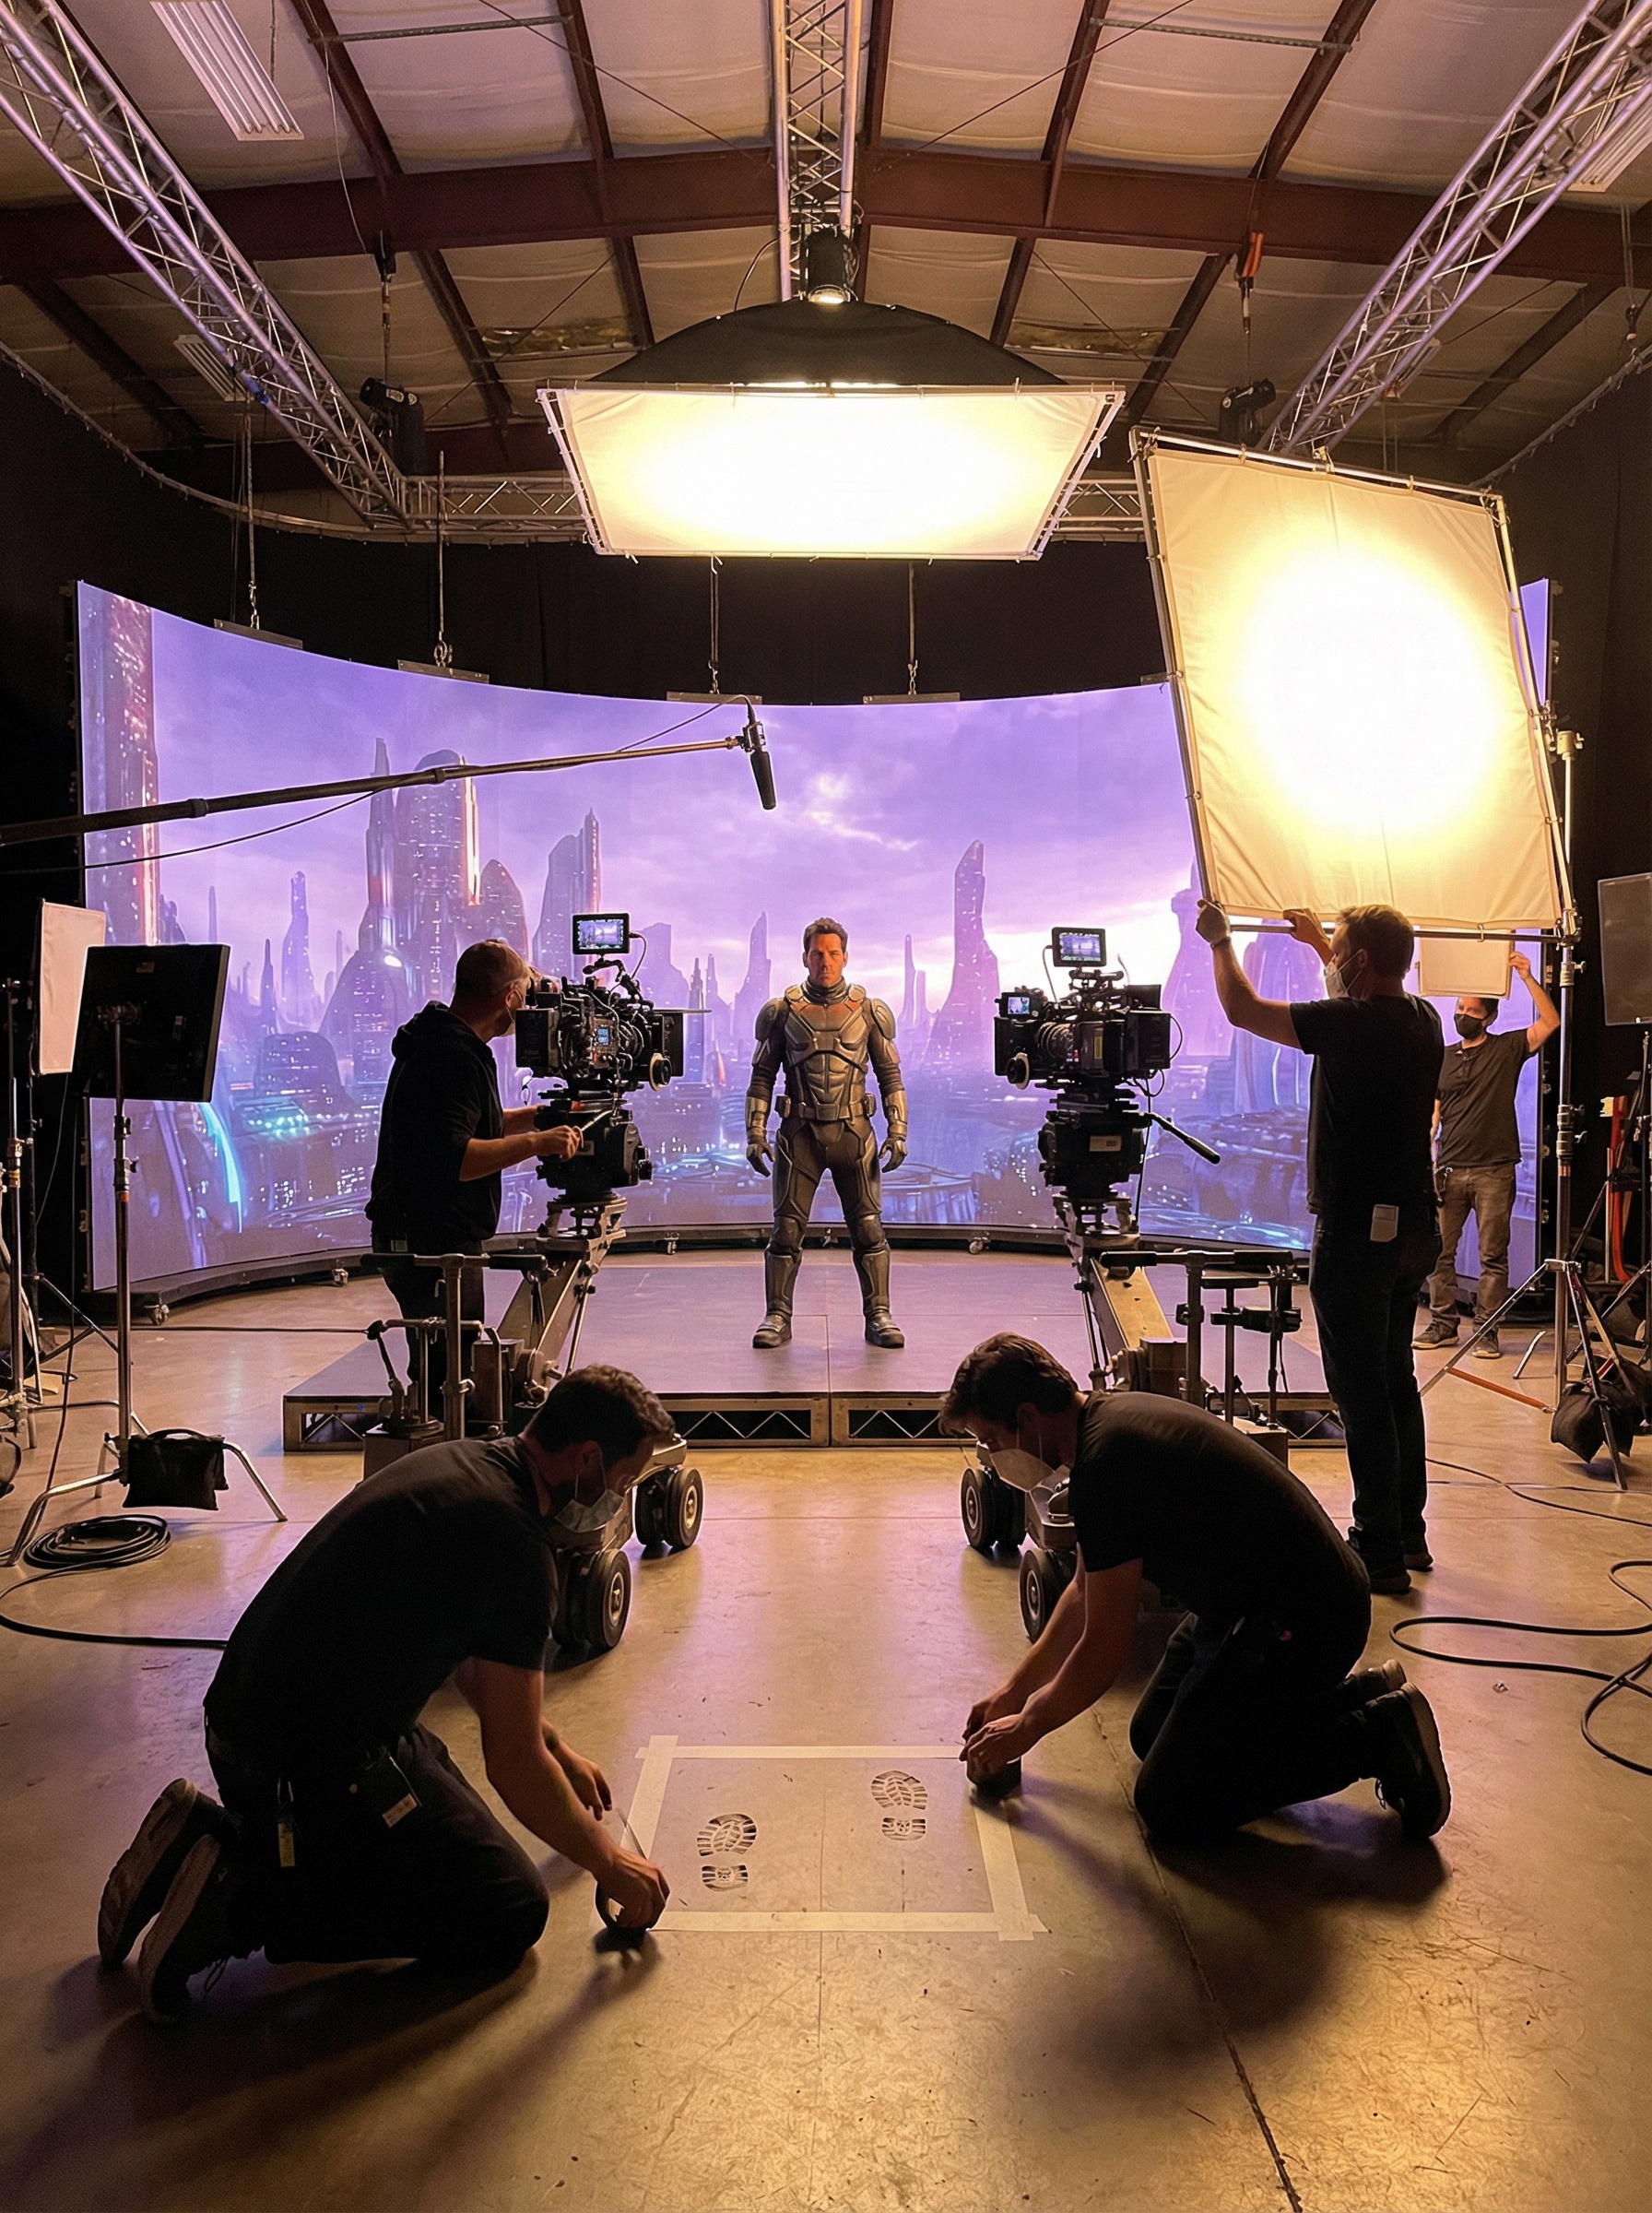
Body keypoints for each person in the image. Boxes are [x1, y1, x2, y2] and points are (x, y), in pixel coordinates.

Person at [97, 1367, 675, 2023]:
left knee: (440, 1798)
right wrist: (611, 1864)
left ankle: (203, 1834)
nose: (618, 1500)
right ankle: (245, 1897)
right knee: (504, 1906)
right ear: (587, 1460)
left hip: (249, 1722)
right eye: (624, 1481)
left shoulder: (470, 1464)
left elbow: (471, 1660)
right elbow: (513, 1767)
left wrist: (555, 1748)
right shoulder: (516, 1545)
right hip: (296, 1766)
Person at [947, 1335, 1450, 1846]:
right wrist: (1014, 1692)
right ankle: (1361, 1697)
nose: (994, 1457)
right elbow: (1082, 1592)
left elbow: (1105, 1648)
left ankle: (1376, 1736)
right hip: (1252, 1605)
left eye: (992, 1440)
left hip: (1305, 1621)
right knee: (1151, 1734)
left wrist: (1027, 1727)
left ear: (1027, 1417)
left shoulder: (1106, 1466)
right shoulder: (1103, 1426)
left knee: (1172, 1801)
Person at [1196, 900, 1443, 1595]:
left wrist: (1220, 941)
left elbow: (1243, 1009)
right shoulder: (1424, 1019)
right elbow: (1354, 988)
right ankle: (1408, 1533)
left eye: (1339, 948)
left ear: (1359, 960)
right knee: (1395, 1380)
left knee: (1360, 1391)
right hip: (1414, 1229)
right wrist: (1318, 946)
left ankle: (1378, 1550)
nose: (1332, 959)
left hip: (1357, 1232)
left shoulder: (1350, 1025)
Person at [366, 939, 581, 1408]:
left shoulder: (441, 1040)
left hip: (424, 1233)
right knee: (448, 1377)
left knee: (445, 1366)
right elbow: (456, 1158)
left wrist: (542, 1117)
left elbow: (473, 1125)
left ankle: (441, 1438)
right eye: (525, 994)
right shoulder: (452, 1057)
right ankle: (442, 1446)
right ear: (509, 997)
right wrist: (539, 1144)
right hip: (432, 1242)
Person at [746, 916, 908, 1350]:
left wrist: (898, 1129)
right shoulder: (781, 1011)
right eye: (818, 954)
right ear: (805, 957)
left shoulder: (870, 1011)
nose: (825, 961)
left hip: (854, 1133)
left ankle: (879, 1315)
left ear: (845, 957)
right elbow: (762, 1077)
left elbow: (890, 1076)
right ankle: (777, 1315)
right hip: (799, 1133)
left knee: (869, 1231)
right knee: (785, 1232)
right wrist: (755, 1132)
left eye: (833, 953)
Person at [1418, 950, 1558, 1358]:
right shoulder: (1443, 1056)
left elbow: (1551, 1022)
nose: (1463, 1015)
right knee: (1439, 1252)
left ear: (1489, 1017)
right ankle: (1443, 1324)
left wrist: (1527, 976)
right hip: (1449, 1168)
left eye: (1472, 1011)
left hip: (1494, 1169)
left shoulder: (1507, 1048)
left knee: (1492, 1256)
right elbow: (1434, 1113)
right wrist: (1427, 1155)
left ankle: (1486, 1331)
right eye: (1460, 1008)